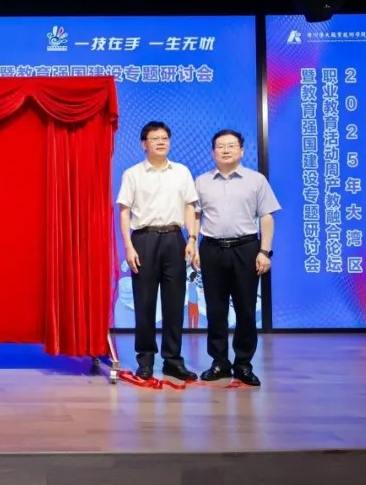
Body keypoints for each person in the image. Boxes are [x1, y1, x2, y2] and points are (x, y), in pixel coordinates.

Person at [192, 129, 280, 387]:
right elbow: (195, 215)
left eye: (231, 145)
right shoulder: (201, 181)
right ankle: (219, 362)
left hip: (246, 248)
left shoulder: (256, 180)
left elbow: (266, 216)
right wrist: (193, 245)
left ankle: (243, 364)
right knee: (215, 308)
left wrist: (264, 251)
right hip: (212, 249)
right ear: (213, 152)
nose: (226, 150)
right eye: (221, 146)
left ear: (242, 150)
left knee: (245, 309)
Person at [116, 121, 199, 381]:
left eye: (165, 138)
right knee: (145, 302)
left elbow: (190, 207)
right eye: (155, 138)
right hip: (144, 239)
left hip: (174, 238)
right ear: (144, 144)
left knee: (175, 303)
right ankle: (146, 360)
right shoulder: (133, 174)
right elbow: (124, 211)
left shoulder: (181, 172)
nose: (161, 142)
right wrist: (128, 246)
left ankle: (173, 360)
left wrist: (192, 238)